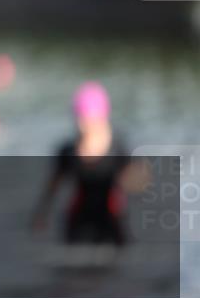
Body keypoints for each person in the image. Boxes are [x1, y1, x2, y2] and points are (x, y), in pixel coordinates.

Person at [32, 82, 131, 245]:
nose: (84, 124)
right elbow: (53, 185)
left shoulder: (118, 148)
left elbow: (136, 184)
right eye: (81, 118)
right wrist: (41, 214)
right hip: (78, 219)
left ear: (102, 118)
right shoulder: (67, 151)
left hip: (112, 220)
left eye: (89, 119)